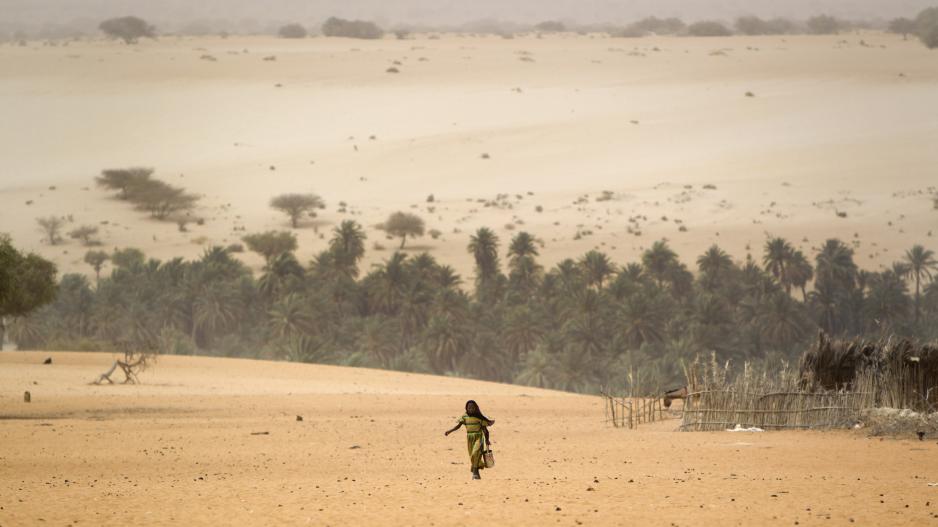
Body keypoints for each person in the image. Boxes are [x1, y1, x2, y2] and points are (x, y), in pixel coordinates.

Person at [444, 400, 494, 480]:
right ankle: (476, 472)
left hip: (478, 437)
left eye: (473, 407)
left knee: (475, 453)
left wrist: (487, 440)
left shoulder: (479, 418)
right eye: (469, 407)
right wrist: (449, 431)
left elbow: (485, 430)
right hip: (469, 438)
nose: (471, 409)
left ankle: (474, 471)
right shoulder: (464, 417)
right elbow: (458, 426)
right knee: (472, 456)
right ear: (466, 408)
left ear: (476, 408)